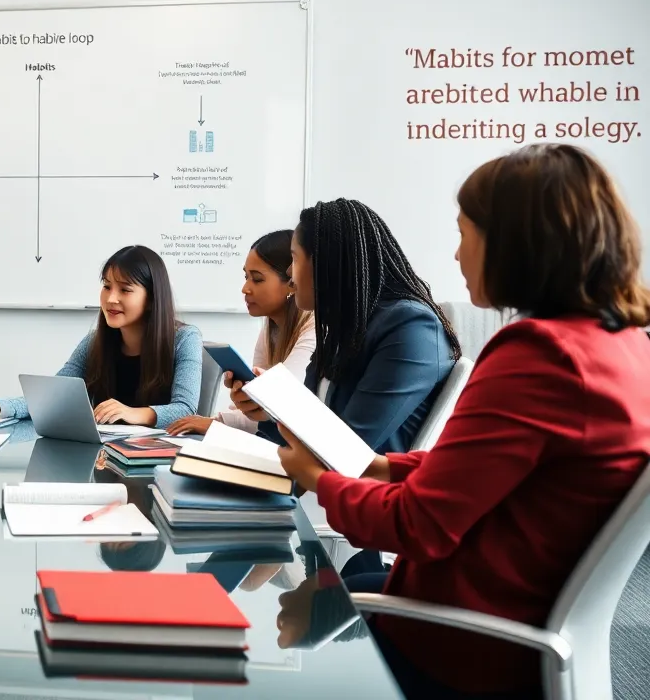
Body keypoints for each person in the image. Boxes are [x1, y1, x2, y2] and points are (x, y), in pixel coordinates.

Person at [276, 144, 650, 698]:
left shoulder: (540, 356)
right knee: (348, 584)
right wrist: (382, 466)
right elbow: (482, 469)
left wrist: (318, 479)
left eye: (464, 234)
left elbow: (416, 526)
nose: (455, 255)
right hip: (519, 621)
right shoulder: (624, 346)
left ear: (514, 243)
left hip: (469, 647)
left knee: (282, 655)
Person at [228, 199, 460, 455]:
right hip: (321, 475)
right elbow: (312, 425)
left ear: (325, 262)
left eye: (294, 258)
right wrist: (269, 408)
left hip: (357, 479)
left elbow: (350, 449)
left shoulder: (411, 328)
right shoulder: (343, 330)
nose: (289, 272)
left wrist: (278, 409)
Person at [0, 245, 201, 428]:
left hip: (159, 464)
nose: (111, 298)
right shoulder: (96, 342)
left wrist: (132, 413)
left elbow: (185, 409)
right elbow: (54, 395)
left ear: (151, 299)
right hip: (104, 460)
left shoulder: (185, 339)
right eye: (107, 286)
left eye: (125, 290)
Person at [166, 230, 315, 435]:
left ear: (291, 282)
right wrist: (245, 397)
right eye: (246, 277)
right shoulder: (270, 329)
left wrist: (216, 423)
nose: (245, 288)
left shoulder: (315, 330)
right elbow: (261, 410)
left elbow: (281, 402)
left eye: (257, 279)